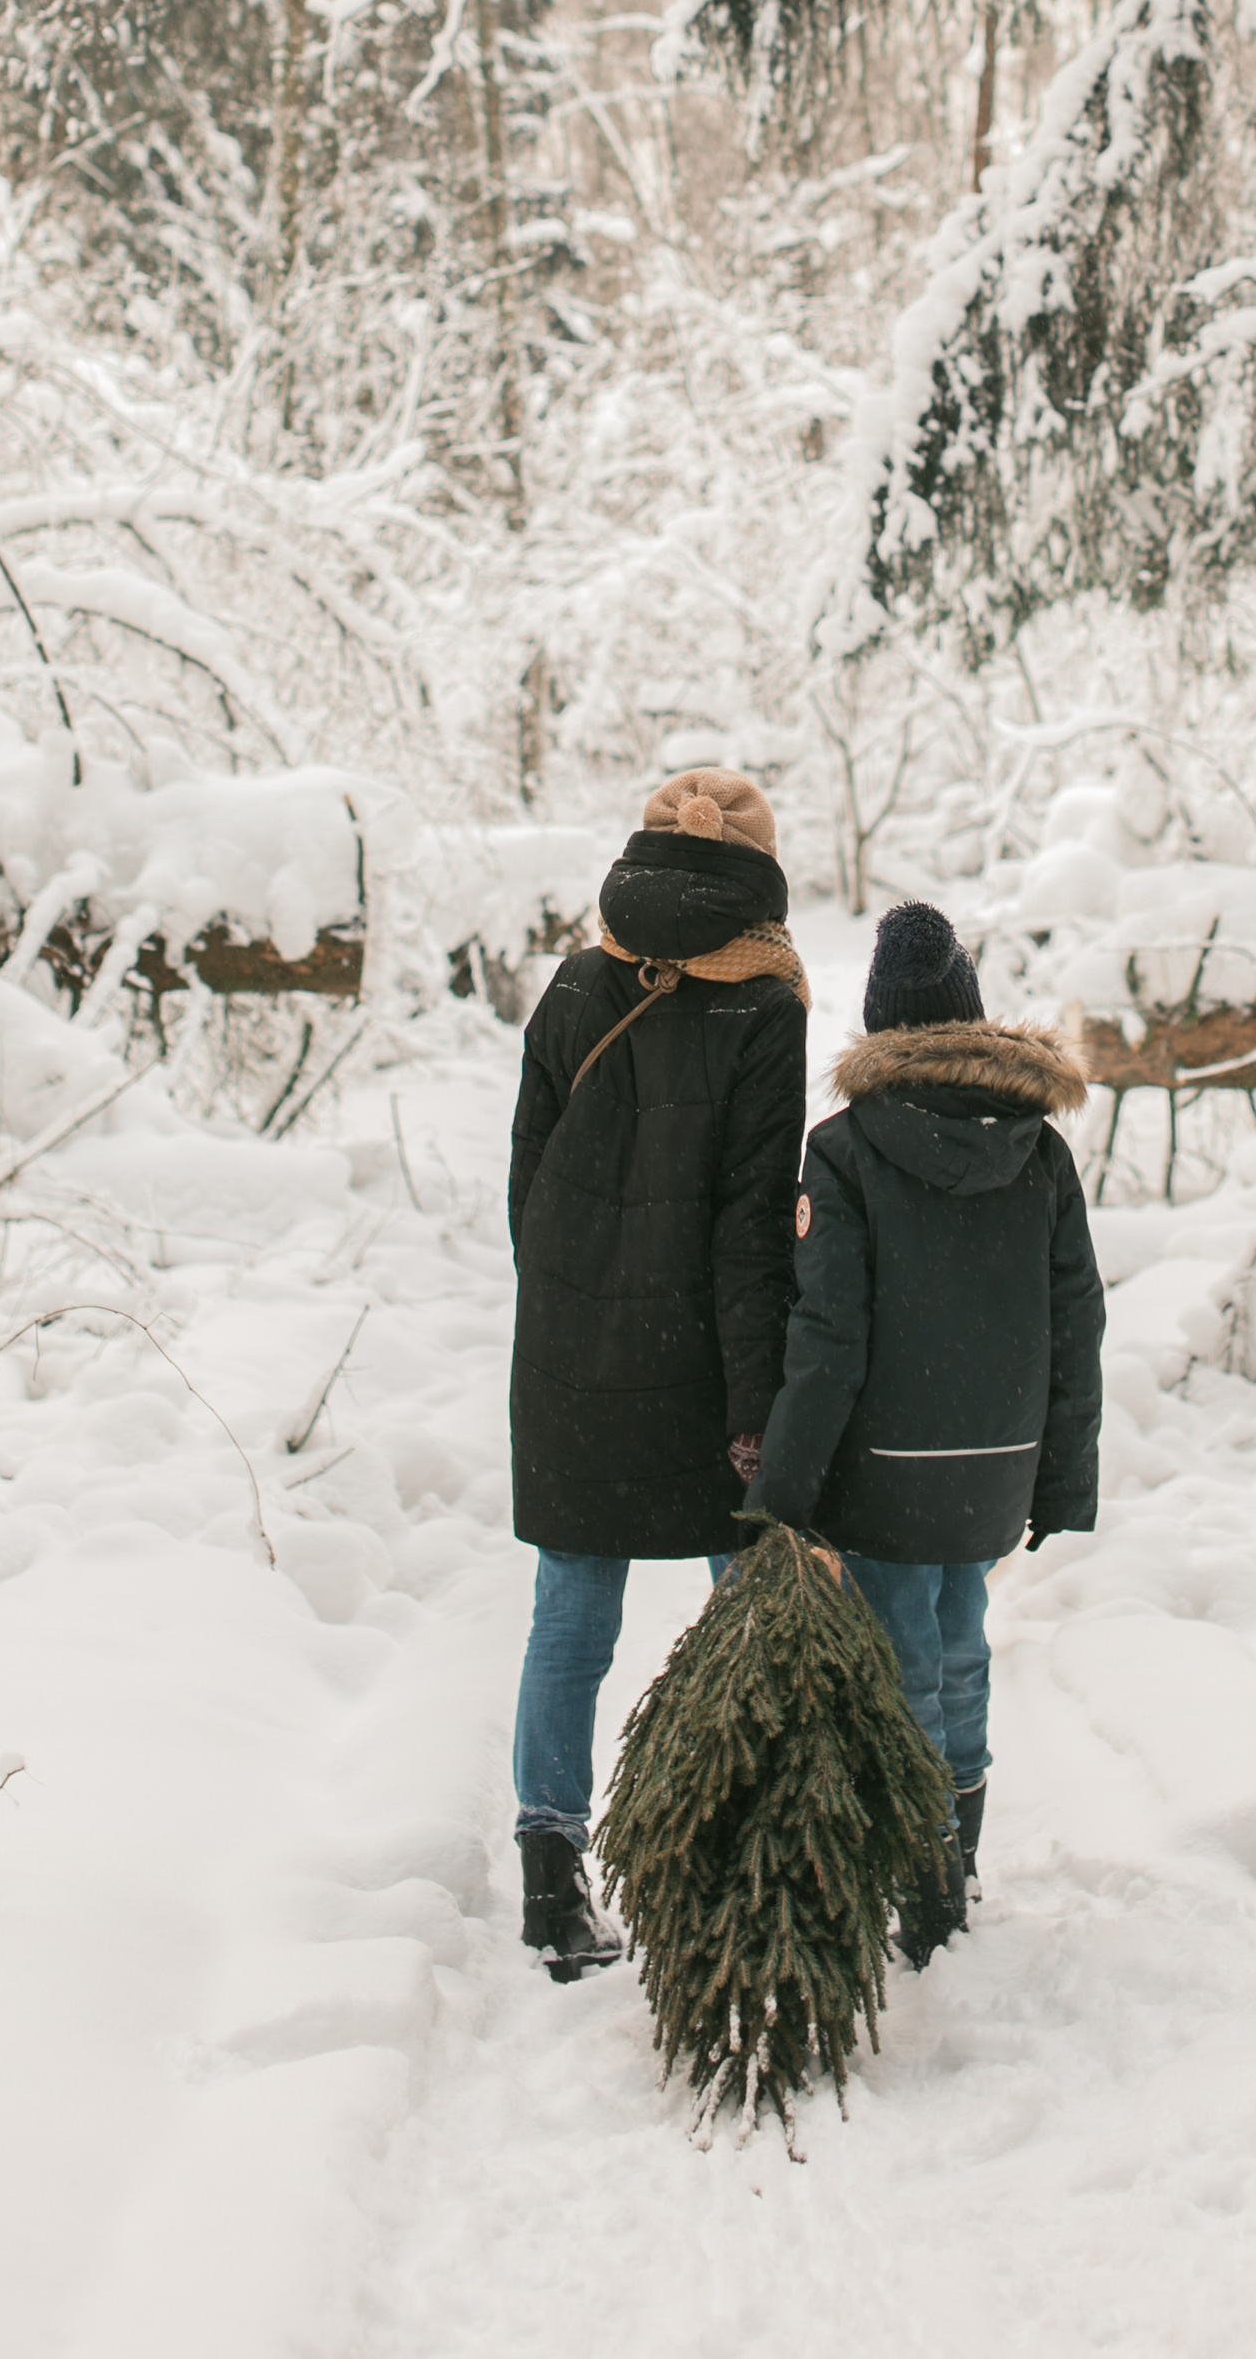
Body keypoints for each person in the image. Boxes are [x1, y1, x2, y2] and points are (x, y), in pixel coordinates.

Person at [748, 899, 1104, 1963]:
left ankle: (926, 1878)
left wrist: (786, 1490)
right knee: (958, 1650)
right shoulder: (1037, 1153)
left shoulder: (846, 1151)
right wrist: (1060, 1482)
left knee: (903, 1662)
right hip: (995, 1466)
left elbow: (829, 1336)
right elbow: (1075, 1319)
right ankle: (956, 1857)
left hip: (883, 1468)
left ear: (878, 1028)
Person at [506, 766, 808, 1979]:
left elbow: (526, 1183)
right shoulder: (765, 1007)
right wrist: (755, 1407)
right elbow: (750, 1227)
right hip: (699, 1357)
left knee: (570, 1616)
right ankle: (733, 1846)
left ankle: (550, 1876)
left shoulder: (577, 983)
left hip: (572, 1346)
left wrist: (574, 1300)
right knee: (748, 1608)